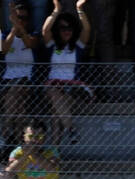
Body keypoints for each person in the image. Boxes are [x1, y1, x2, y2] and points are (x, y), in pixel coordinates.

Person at [42, 0, 92, 145]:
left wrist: (79, 9)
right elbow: (45, 31)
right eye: (62, 28)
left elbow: (87, 30)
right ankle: (70, 129)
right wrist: (56, 11)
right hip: (52, 86)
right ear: (57, 29)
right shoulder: (52, 45)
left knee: (55, 112)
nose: (66, 31)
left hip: (73, 89)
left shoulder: (77, 46)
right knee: (54, 92)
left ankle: (55, 148)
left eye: (69, 28)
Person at [0, 0, 40, 147]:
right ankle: (17, 144)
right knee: (19, 109)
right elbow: (3, 49)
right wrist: (13, 30)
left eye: (23, 18)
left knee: (15, 96)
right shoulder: (4, 34)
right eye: (18, 18)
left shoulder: (33, 33)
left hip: (27, 80)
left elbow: (30, 44)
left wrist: (20, 29)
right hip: (8, 79)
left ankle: (3, 138)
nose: (21, 21)